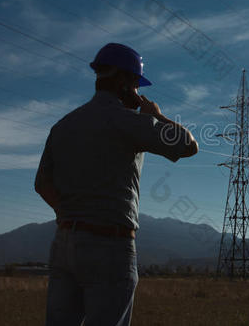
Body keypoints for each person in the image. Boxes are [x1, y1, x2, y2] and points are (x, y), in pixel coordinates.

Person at [35, 43, 198, 326]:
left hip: (64, 242)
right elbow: (188, 145)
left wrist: (69, 216)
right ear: (124, 82)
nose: (137, 91)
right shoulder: (129, 121)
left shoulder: (63, 126)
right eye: (135, 84)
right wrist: (155, 115)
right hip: (109, 244)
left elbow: (42, 184)